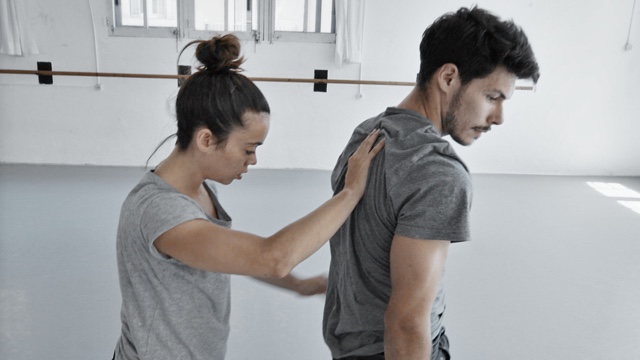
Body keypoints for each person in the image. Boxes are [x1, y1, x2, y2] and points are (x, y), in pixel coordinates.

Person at [112, 34, 384, 360]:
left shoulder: (198, 189)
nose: (253, 160)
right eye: (248, 149)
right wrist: (351, 192)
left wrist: (296, 285)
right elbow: (271, 257)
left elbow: (229, 255)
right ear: (206, 140)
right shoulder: (160, 210)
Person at [322, 6, 540, 360]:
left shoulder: (366, 134)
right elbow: (407, 322)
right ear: (449, 77)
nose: (499, 118)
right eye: (492, 97)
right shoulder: (438, 174)